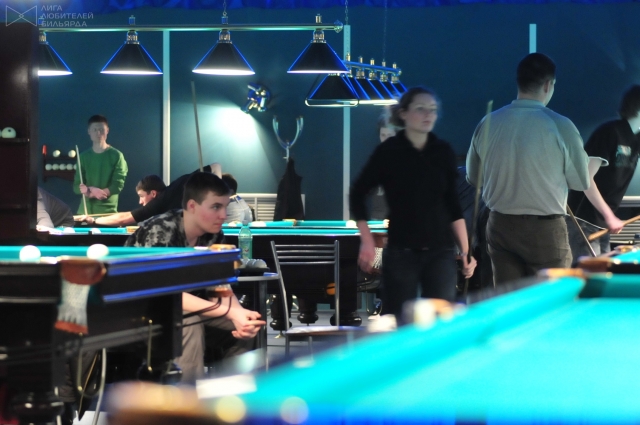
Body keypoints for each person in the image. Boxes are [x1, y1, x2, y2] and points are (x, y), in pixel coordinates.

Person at [350, 86, 476, 324]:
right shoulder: (388, 152)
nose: (428, 114)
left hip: (440, 251)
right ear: (404, 114)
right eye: (420, 109)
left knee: (440, 322)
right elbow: (357, 194)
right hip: (402, 251)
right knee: (400, 321)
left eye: (433, 109)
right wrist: (366, 240)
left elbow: (453, 206)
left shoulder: (443, 151)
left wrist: (465, 252)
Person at [125, 172, 265, 384]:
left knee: (247, 325)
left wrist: (239, 314)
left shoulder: (213, 234)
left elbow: (220, 286)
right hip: (137, 314)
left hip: (182, 310)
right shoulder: (160, 230)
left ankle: (233, 400)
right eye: (216, 207)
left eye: (225, 207)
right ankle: (188, 402)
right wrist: (230, 312)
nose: (223, 215)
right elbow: (167, 295)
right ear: (192, 206)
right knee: (189, 323)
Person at [466, 53, 590, 285]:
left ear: (519, 82)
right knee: (551, 299)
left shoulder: (488, 122)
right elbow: (581, 182)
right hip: (545, 230)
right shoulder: (561, 125)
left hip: (499, 225)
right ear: (548, 85)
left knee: (510, 298)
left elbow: (474, 178)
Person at [567, 85, 640, 259]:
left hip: (603, 222)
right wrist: (610, 217)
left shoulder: (637, 138)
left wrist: (608, 218)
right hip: (583, 219)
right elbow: (585, 179)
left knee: (603, 270)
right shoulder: (610, 132)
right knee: (591, 271)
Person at [80, 163, 220, 226]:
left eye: (141, 196)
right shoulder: (175, 188)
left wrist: (94, 221)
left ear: (153, 193)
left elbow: (124, 218)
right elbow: (216, 166)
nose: (140, 202)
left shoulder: (159, 202)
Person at [73, 115, 128, 214]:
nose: (98, 133)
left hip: (108, 212)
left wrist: (95, 193)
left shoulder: (117, 156)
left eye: (101, 129)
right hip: (85, 212)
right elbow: (77, 187)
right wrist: (92, 190)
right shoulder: (83, 157)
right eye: (94, 130)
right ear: (89, 131)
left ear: (107, 130)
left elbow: (117, 185)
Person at [370, 113, 397, 221]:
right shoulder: (375, 161)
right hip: (377, 222)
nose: (386, 140)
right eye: (383, 135)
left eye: (390, 135)